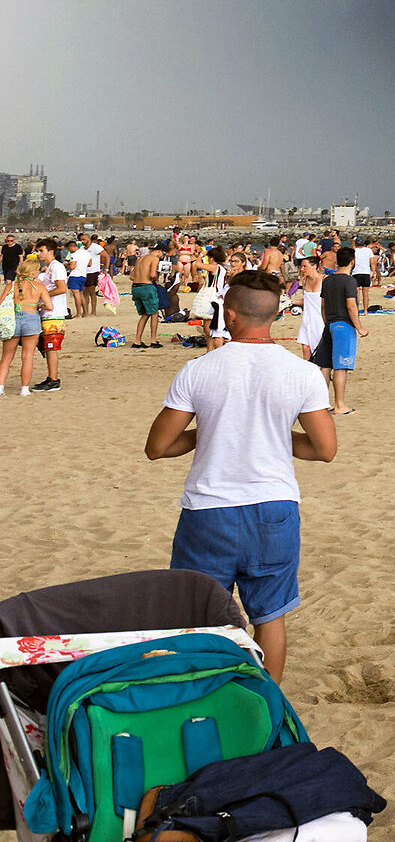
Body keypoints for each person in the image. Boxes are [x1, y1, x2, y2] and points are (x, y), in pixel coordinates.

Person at [144, 270, 338, 680]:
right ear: (275, 315)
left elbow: (158, 447)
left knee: (200, 618)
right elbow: (324, 450)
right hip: (273, 507)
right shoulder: (302, 372)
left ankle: (208, 695)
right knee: (270, 616)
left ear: (229, 315)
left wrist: (211, 430)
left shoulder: (198, 369)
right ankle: (269, 703)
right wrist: (273, 434)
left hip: (208, 510)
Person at [314, 246, 363, 415]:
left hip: (329, 324)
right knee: (341, 367)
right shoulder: (349, 281)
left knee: (325, 366)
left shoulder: (327, 280)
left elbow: (323, 306)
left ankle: (321, 403)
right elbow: (351, 305)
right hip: (343, 325)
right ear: (352, 261)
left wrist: (327, 323)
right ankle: (339, 405)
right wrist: (359, 327)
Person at [32, 241, 68, 392]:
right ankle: (51, 377)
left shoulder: (56, 267)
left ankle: (53, 379)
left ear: (50, 251)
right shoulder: (48, 268)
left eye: (41, 250)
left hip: (54, 313)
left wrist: (43, 296)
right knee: (47, 347)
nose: (38, 254)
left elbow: (61, 288)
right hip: (47, 312)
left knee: (51, 347)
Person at [4, 260, 38, 396]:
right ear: (32, 272)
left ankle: (0, 387)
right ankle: (24, 389)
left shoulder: (11, 285)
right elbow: (49, 305)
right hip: (31, 319)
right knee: (27, 356)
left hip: (13, 320)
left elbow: (1, 302)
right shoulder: (38, 286)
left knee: (6, 356)